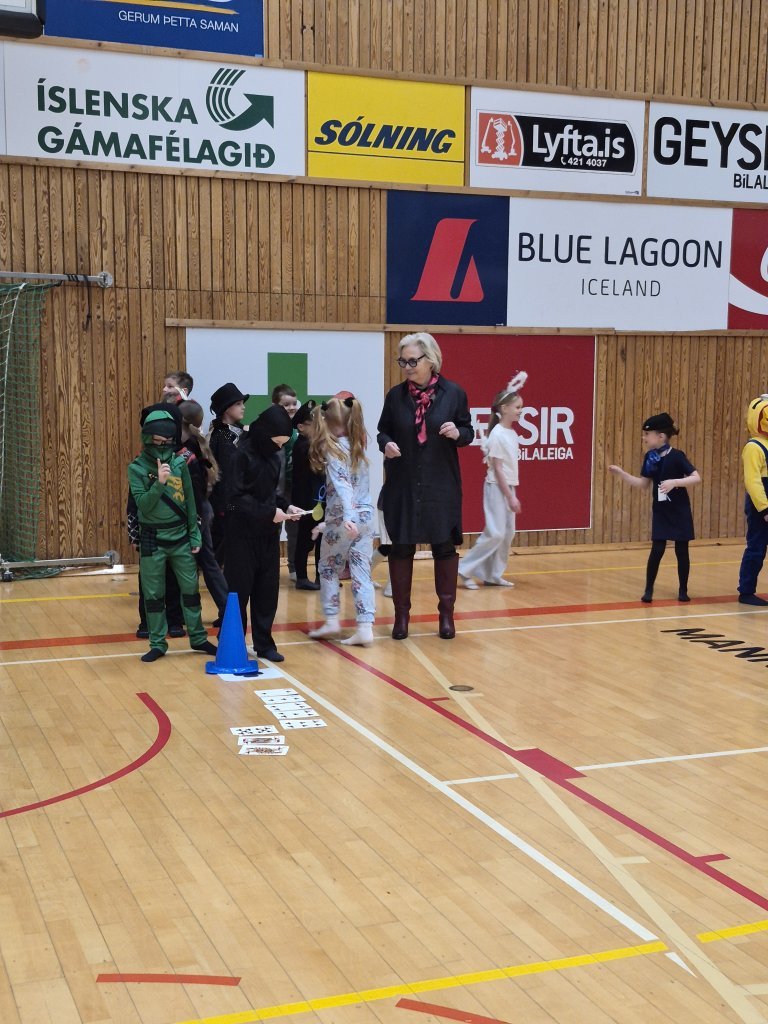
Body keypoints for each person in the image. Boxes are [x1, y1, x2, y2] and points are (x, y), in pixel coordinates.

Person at [377, 332, 474, 640]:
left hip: (440, 484)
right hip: (404, 483)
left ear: (430, 360)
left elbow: (468, 431)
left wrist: (458, 433)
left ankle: (446, 616)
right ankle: (401, 617)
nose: (406, 367)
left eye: (412, 361)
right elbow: (382, 431)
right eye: (402, 361)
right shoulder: (395, 396)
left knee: (444, 547)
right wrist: (386, 444)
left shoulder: (453, 393)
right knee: (401, 548)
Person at [127, 406, 217, 662]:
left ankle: (198, 638)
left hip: (180, 538)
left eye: (167, 441)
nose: (162, 446)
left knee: (190, 591)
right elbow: (143, 505)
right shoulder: (136, 468)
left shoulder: (180, 463)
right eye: (157, 441)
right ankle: (157, 643)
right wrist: (159, 483)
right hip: (152, 539)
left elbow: (190, 501)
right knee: (153, 595)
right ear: (147, 439)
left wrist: (195, 534)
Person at [223, 404, 304, 662]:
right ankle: (233, 642)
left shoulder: (273, 456)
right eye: (276, 442)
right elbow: (234, 499)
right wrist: (268, 512)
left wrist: (285, 506)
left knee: (267, 590)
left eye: (282, 444)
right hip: (241, 535)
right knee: (239, 591)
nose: (279, 447)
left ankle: (264, 643)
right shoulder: (240, 456)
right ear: (264, 434)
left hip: (268, 534)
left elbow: (272, 493)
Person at [609, 412, 701, 603]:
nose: (644, 438)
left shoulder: (677, 456)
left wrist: (675, 482)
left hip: (680, 510)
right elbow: (643, 484)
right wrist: (622, 474)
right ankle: (648, 589)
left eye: (647, 434)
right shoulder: (650, 458)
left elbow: (696, 477)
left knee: (681, 550)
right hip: (661, 510)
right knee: (657, 549)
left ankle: (683, 589)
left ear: (660, 436)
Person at [308, 395, 376, 647]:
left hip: (346, 518)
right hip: (365, 517)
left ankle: (331, 619)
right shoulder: (357, 446)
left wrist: (345, 517)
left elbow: (343, 486)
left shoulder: (334, 449)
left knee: (327, 567)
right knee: (361, 571)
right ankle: (365, 627)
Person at [459, 372, 526, 589]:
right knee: (495, 532)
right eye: (517, 407)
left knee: (507, 533)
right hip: (496, 487)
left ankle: (492, 574)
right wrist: (510, 497)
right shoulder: (497, 434)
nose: (520, 410)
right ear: (504, 409)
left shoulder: (511, 433)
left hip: (508, 487)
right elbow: (497, 469)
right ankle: (464, 569)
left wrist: (511, 493)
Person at [177, 399, 229, 622]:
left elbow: (196, 490)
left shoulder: (189, 450)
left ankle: (223, 611)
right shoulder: (195, 444)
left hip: (196, 510)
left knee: (202, 563)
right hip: (200, 509)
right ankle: (224, 610)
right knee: (207, 563)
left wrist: (195, 519)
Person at [208, 382, 249, 562]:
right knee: (225, 545)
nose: (243, 407)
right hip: (227, 503)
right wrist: (229, 506)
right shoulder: (222, 436)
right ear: (226, 409)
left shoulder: (237, 432)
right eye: (238, 404)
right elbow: (227, 475)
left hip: (238, 500)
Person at [737, 395, 768, 605]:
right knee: (757, 547)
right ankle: (746, 591)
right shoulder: (754, 447)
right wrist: (765, 508)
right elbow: (752, 480)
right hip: (761, 505)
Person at [290, 400, 323, 590]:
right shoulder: (303, 445)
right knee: (305, 540)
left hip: (318, 499)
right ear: (301, 427)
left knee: (321, 540)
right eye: (314, 424)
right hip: (306, 501)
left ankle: (321, 575)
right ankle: (302, 576)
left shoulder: (313, 444)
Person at [272, 384, 300, 580]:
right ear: (275, 405)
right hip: (275, 487)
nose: (291, 408)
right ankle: (270, 568)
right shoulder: (272, 429)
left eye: (294, 403)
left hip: (295, 486)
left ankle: (294, 568)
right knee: (273, 528)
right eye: (286, 404)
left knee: (295, 529)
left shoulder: (299, 428)